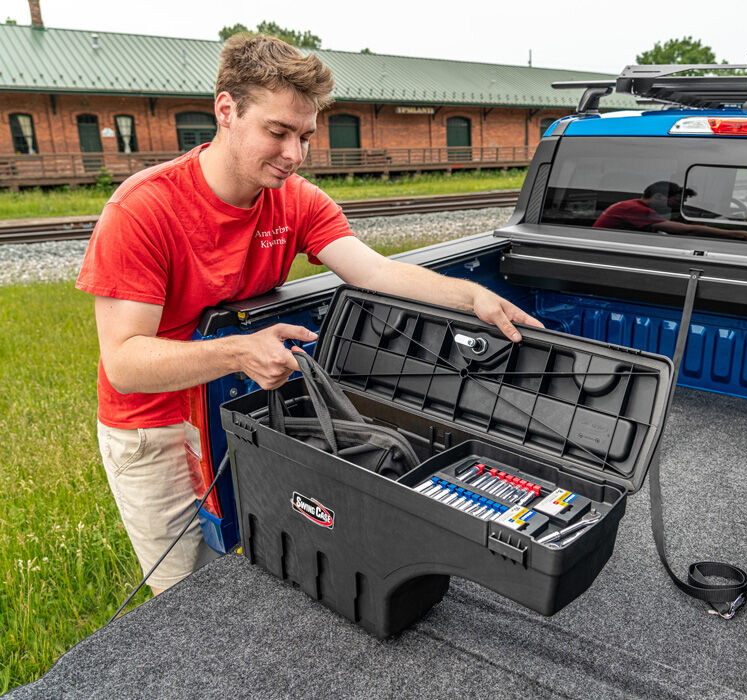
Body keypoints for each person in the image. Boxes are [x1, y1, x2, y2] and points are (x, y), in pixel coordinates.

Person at [76, 33, 543, 596]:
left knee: (261, 559)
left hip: (239, 406)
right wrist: (237, 351)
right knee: (188, 594)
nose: (294, 155)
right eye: (278, 132)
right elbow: (123, 361)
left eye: (305, 136)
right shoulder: (143, 209)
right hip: (155, 429)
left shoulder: (294, 199)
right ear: (226, 110)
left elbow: (373, 271)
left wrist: (471, 297)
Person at [592, 181, 747, 243]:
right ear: (659, 197)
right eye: (677, 201)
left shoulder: (632, 205)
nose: (678, 206)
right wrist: (740, 233)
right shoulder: (635, 209)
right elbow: (686, 230)